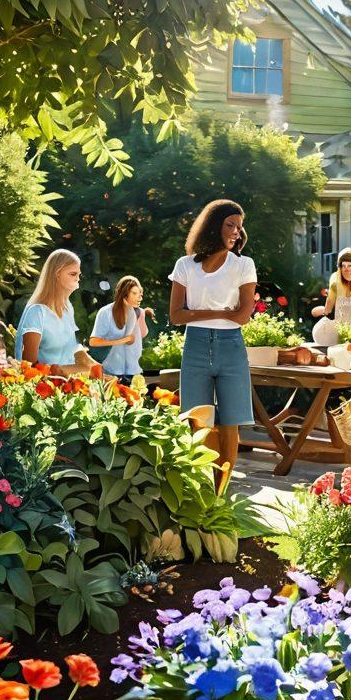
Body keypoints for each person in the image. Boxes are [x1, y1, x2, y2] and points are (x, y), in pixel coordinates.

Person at [169, 199, 257, 488]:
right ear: (212, 226)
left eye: (239, 227)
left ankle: (223, 487)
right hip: (194, 345)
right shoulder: (185, 266)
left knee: (230, 420)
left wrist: (203, 313)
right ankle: (203, 483)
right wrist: (220, 312)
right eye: (229, 225)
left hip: (231, 346)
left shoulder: (243, 265)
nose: (235, 231)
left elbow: (243, 316)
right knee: (198, 419)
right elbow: (176, 315)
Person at [15, 250, 92, 372]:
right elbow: (28, 365)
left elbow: (72, 349)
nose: (78, 279)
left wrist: (96, 368)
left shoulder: (67, 308)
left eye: (79, 274)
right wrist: (66, 370)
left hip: (68, 385)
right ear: (57, 274)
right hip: (41, 387)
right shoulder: (37, 312)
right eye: (73, 274)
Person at [90, 276, 154, 383]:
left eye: (140, 294)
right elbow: (93, 342)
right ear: (124, 293)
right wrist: (122, 340)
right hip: (111, 372)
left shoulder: (136, 313)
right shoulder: (106, 312)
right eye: (134, 293)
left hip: (134, 372)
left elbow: (142, 335)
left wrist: (140, 316)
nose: (139, 298)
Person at [311, 247, 351, 346]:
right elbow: (328, 309)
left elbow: (327, 309)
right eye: (343, 266)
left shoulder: (336, 279)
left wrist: (321, 310)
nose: (346, 269)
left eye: (349, 266)